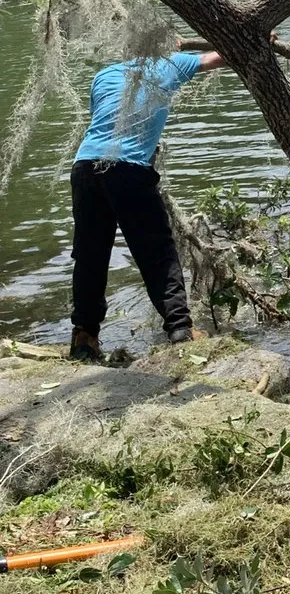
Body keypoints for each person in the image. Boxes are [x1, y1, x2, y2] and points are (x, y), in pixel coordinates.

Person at [68, 46, 226, 361]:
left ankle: (84, 338)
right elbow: (219, 56)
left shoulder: (103, 75)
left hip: (84, 166)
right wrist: (257, 36)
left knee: (90, 254)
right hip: (127, 167)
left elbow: (106, 118)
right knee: (158, 252)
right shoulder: (169, 64)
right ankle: (181, 330)